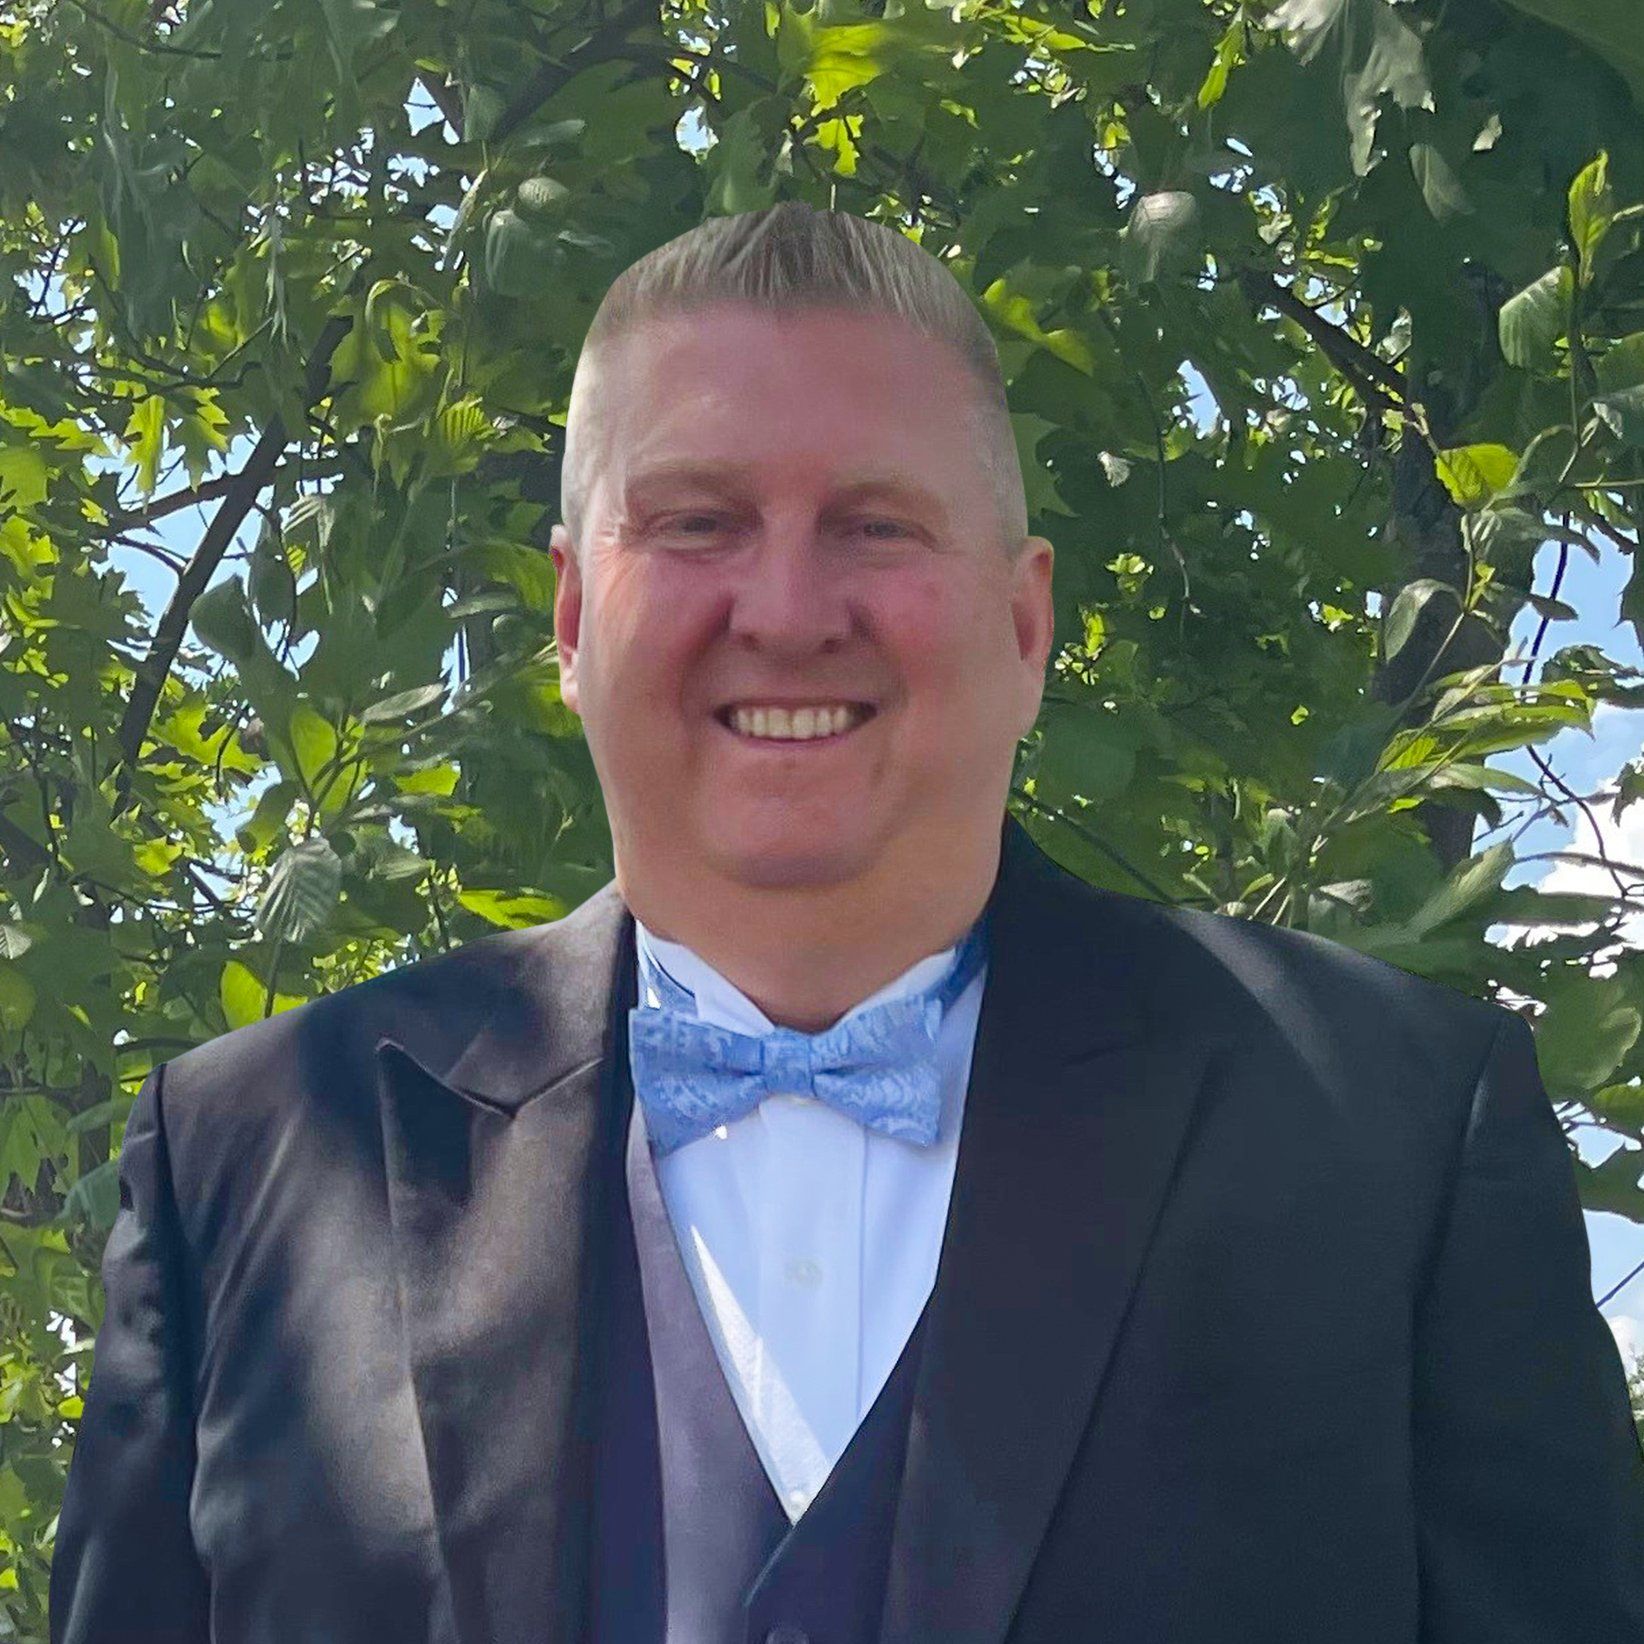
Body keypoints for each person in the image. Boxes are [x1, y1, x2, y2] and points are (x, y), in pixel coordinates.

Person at [50, 202, 1644, 1644]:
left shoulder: (1391, 1134)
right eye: (695, 522)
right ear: (571, 616)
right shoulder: (247, 1157)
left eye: (876, 524)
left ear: (1024, 626)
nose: (791, 609)